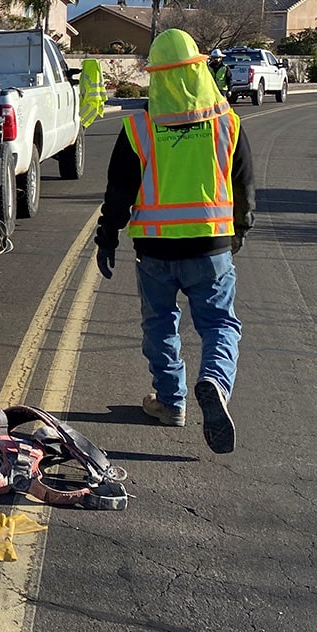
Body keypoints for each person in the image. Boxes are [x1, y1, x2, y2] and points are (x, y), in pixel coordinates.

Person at [94, 29, 254, 454]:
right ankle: (215, 382)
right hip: (211, 247)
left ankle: (171, 401)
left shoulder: (139, 128)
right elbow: (244, 193)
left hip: (156, 250)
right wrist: (237, 233)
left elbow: (118, 194)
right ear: (200, 68)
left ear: (156, 77)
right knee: (219, 324)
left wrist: (106, 239)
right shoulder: (228, 124)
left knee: (160, 324)